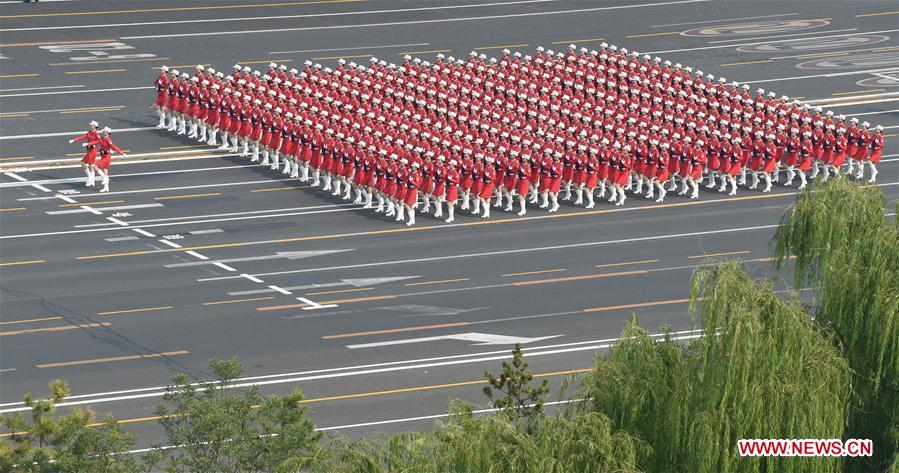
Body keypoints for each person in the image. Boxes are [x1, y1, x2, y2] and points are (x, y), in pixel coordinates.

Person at [94, 127, 127, 193]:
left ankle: (105, 178)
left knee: (95, 166)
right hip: (103, 156)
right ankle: (106, 187)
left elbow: (114, 146)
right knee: (105, 170)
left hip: (106, 157)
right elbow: (99, 142)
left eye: (104, 131)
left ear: (107, 132)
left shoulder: (108, 139)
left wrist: (122, 153)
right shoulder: (103, 138)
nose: (102, 132)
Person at [69, 121, 101, 187]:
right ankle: (92, 181)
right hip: (89, 150)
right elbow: (82, 137)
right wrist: (74, 140)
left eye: (91, 125)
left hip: (93, 150)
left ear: (94, 126)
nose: (90, 126)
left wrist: (88, 143)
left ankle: (90, 178)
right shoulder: (89, 132)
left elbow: (98, 141)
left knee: (82, 163)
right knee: (91, 165)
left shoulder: (96, 133)